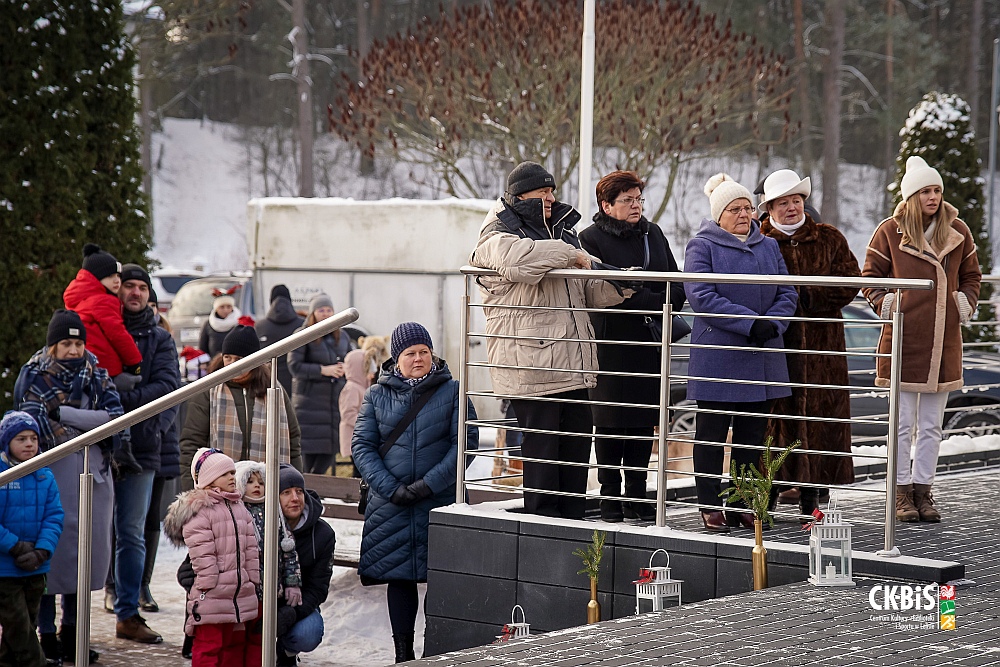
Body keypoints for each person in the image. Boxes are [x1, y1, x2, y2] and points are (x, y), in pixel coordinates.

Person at [469, 161, 627, 519]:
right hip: (532, 368)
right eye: (544, 192)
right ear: (520, 195)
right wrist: (572, 254)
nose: (552, 198)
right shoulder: (495, 233)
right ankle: (543, 534)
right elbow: (517, 262)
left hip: (572, 365)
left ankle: (571, 529)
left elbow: (585, 291)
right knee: (543, 462)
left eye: (552, 191)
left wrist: (620, 284)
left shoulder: (561, 232)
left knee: (575, 458)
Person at [862, 156, 982, 523]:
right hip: (904, 339)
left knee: (931, 425)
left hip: (944, 342)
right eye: (925, 191)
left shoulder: (958, 230)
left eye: (937, 190)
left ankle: (923, 492)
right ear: (911, 196)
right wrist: (889, 304)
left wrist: (963, 302)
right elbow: (870, 277)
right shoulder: (889, 231)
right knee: (901, 425)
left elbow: (972, 276)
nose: (933, 197)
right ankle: (900, 493)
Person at [352, 322, 479, 663]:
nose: (419, 358)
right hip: (391, 504)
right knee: (399, 579)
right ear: (397, 358)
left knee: (440, 577)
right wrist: (391, 488)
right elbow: (362, 446)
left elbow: (464, 444)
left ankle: (433, 650)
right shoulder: (376, 395)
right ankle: (403, 655)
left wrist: (429, 484)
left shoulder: (453, 391)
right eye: (410, 353)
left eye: (424, 351)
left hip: (439, 501)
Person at [684, 173, 797, 532]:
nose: (744, 214)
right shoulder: (701, 246)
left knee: (751, 438)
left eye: (748, 207)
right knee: (712, 435)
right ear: (719, 214)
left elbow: (788, 292)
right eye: (735, 209)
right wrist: (750, 323)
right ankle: (709, 504)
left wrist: (773, 323)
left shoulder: (769, 246)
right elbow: (701, 295)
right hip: (719, 356)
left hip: (761, 354)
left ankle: (743, 503)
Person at [15, 309, 126, 664]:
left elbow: (115, 419)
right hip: (50, 478)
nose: (74, 350)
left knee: (85, 559)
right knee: (52, 557)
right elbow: (30, 425)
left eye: (78, 344)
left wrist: (63, 414)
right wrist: (90, 424)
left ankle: (75, 633)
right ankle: (46, 635)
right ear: (53, 346)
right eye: (66, 344)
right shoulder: (34, 376)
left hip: (94, 478)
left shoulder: (97, 374)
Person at [579, 170, 686, 522]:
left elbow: (676, 284)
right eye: (627, 200)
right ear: (606, 205)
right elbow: (601, 292)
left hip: (648, 343)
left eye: (638, 199)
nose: (636, 205)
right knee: (609, 423)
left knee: (642, 423)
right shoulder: (589, 239)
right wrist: (652, 300)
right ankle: (610, 498)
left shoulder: (653, 233)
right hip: (610, 344)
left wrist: (655, 300)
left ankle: (637, 497)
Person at [757, 170, 860, 520]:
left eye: (796, 201)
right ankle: (765, 499)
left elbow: (851, 281)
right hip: (775, 347)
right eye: (783, 203)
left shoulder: (829, 237)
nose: (791, 208)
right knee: (773, 426)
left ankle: (813, 503)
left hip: (822, 351)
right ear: (770, 208)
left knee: (819, 423)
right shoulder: (758, 240)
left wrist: (808, 295)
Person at [98, 264, 179, 643]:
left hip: (142, 447)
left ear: (149, 294)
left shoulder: (160, 339)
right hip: (98, 444)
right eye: (128, 285)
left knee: (131, 531)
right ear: (117, 290)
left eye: (141, 287)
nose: (134, 292)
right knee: (88, 527)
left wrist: (119, 397)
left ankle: (127, 612)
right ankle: (69, 621)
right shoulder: (100, 329)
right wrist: (125, 398)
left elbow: (167, 389)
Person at [163, 448, 260, 667]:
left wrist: (253, 579)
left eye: (233, 473)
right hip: (212, 594)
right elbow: (201, 552)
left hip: (239, 593)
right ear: (209, 479)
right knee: (209, 645)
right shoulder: (201, 510)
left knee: (233, 646)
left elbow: (251, 548)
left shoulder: (239, 507)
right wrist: (208, 583)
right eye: (225, 474)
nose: (232, 477)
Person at [180, 325, 303, 490]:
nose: (232, 364)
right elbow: (192, 444)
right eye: (228, 357)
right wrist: (192, 489)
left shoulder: (274, 390)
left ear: (254, 360)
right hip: (217, 492)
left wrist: (294, 486)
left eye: (239, 359)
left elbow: (292, 440)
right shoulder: (208, 390)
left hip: (266, 489)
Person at [0, 411, 64, 667]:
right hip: (5, 568)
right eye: (21, 439)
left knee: (24, 626)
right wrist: (14, 546)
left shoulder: (44, 474)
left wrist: (42, 551)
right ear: (7, 442)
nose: (29, 444)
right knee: (19, 627)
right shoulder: (2, 475)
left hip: (37, 566)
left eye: (33, 438)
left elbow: (54, 516)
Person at [274, 465, 336, 667]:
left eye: (299, 491)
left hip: (297, 602)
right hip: (259, 602)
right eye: (286, 492)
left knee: (308, 632)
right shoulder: (258, 526)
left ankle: (286, 652)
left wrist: (292, 614)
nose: (295, 498)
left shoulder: (323, 534)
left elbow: (318, 588)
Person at [287, 294, 354, 475]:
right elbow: (294, 366)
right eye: (321, 310)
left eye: (329, 310)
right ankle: (309, 486)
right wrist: (323, 370)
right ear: (313, 313)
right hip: (310, 404)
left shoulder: (342, 336)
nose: (325, 313)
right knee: (309, 455)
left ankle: (314, 486)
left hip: (334, 403)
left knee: (329, 451)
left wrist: (344, 368)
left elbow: (351, 359)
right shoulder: (302, 334)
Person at [62, 243, 143, 387]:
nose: (117, 280)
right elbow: (117, 333)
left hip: (86, 365)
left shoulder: (81, 298)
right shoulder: (102, 301)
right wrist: (134, 361)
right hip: (105, 367)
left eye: (118, 276)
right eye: (110, 276)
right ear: (95, 278)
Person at [233, 460, 303, 608]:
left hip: (273, 586)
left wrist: (292, 583)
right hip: (244, 590)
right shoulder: (236, 512)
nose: (256, 486)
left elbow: (289, 551)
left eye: (261, 482)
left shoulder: (274, 512)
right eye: (250, 481)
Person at [255, 285, 305, 396]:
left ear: (271, 301)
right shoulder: (302, 324)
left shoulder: (260, 326)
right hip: (297, 384)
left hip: (267, 382)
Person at [338, 349, 368, 472]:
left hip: (360, 437)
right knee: (358, 470)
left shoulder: (361, 387)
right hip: (353, 438)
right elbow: (348, 413)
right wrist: (366, 424)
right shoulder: (352, 388)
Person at [199, 293, 241, 360]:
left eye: (228, 307)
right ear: (216, 308)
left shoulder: (240, 323)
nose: (226, 310)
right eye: (222, 307)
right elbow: (203, 349)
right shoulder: (209, 324)